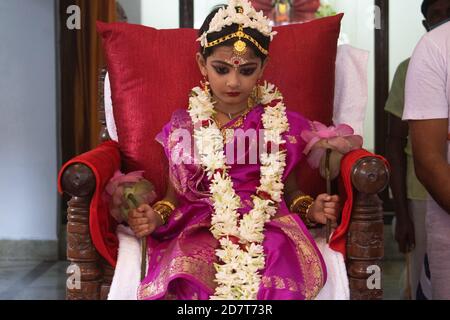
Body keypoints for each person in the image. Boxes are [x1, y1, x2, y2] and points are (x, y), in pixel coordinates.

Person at [114, 0, 341, 300]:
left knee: (273, 259)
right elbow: (171, 200)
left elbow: (291, 192)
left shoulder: (278, 123)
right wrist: (154, 218)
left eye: (246, 70)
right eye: (221, 69)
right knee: (190, 267)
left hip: (265, 221)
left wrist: (311, 208)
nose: (233, 82)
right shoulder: (184, 127)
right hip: (201, 221)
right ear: (201, 64)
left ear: (263, 68)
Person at [384, 0, 450, 299]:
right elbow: (395, 141)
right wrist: (401, 214)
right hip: (421, 194)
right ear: (425, 25)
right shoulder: (413, 66)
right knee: (422, 282)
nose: (443, 21)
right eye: (437, 16)